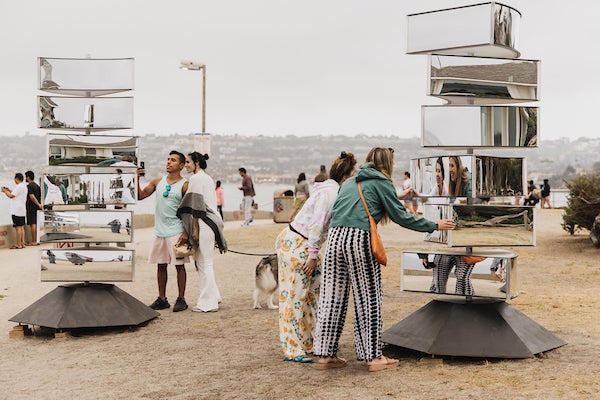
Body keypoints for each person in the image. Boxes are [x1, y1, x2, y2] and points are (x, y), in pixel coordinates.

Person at [313, 147, 455, 372]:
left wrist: (397, 196)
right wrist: (434, 225)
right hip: (358, 238)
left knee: (332, 297)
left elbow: (363, 201)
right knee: (368, 298)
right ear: (388, 164)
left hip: (334, 239)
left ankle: (325, 354)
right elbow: (401, 216)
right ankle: (373, 357)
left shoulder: (349, 182)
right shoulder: (382, 182)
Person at [275, 151, 357, 363]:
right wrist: (312, 256)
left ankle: (310, 341)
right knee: (294, 297)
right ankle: (292, 348)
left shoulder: (330, 191)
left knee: (312, 297)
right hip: (297, 244)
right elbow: (316, 226)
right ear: (346, 177)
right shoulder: (330, 195)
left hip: (302, 244)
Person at [137, 150, 190, 312]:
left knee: (179, 265)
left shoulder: (185, 185)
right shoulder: (157, 182)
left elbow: (189, 210)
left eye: (173, 160)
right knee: (160, 265)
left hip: (176, 230)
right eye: (168, 159)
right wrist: (136, 178)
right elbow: (140, 196)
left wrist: (186, 232)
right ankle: (162, 298)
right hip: (160, 231)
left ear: (181, 165)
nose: (168, 162)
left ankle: (181, 298)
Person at [178, 151, 227, 313]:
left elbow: (196, 207)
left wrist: (193, 228)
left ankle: (208, 302)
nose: (185, 165)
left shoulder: (196, 178)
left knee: (204, 263)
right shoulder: (206, 178)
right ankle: (214, 296)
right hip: (211, 223)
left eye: (188, 162)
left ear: (197, 162)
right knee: (203, 262)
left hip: (204, 223)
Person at [2, 173, 28, 249]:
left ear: (16, 178)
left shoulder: (19, 187)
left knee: (18, 228)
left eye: (14, 178)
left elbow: (11, 196)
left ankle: (18, 244)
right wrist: (9, 190)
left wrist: (5, 191)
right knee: (22, 227)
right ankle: (22, 243)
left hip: (16, 210)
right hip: (22, 210)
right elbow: (16, 194)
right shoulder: (24, 187)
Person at [25, 171, 43, 245]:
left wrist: (38, 204)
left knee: (33, 223)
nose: (25, 178)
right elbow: (40, 196)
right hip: (36, 207)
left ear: (28, 177)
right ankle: (36, 240)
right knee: (35, 223)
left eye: (26, 177)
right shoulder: (37, 186)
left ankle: (34, 241)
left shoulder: (30, 186)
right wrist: (39, 204)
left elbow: (32, 196)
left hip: (31, 207)